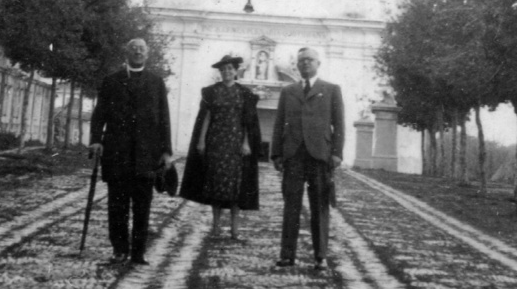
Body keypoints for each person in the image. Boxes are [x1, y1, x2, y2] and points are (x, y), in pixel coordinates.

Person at [89, 38, 173, 266]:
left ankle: (138, 253)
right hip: (117, 155)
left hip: (146, 156)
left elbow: (164, 118)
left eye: (142, 49)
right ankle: (119, 250)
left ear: (147, 54)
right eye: (133, 48)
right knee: (117, 207)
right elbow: (99, 115)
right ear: (126, 53)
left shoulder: (156, 83)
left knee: (142, 207)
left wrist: (166, 151)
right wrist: (96, 140)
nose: (138, 52)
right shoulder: (111, 81)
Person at [269, 45, 344, 270]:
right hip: (293, 155)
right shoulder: (288, 91)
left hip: (320, 155)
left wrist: (337, 153)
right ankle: (287, 255)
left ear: (318, 63)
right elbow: (278, 122)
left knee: (320, 206)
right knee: (291, 206)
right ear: (297, 65)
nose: (305, 64)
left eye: (309, 60)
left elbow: (339, 124)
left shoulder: (331, 90)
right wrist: (276, 153)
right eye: (301, 61)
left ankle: (320, 256)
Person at [179, 54, 261, 241]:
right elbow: (206, 117)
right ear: (220, 72)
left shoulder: (244, 94)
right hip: (216, 143)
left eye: (230, 69)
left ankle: (234, 229)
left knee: (235, 188)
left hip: (235, 145)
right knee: (215, 185)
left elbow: (247, 121)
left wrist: (246, 142)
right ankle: (215, 228)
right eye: (223, 70)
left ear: (236, 71)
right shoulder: (212, 92)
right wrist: (201, 141)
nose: (227, 72)